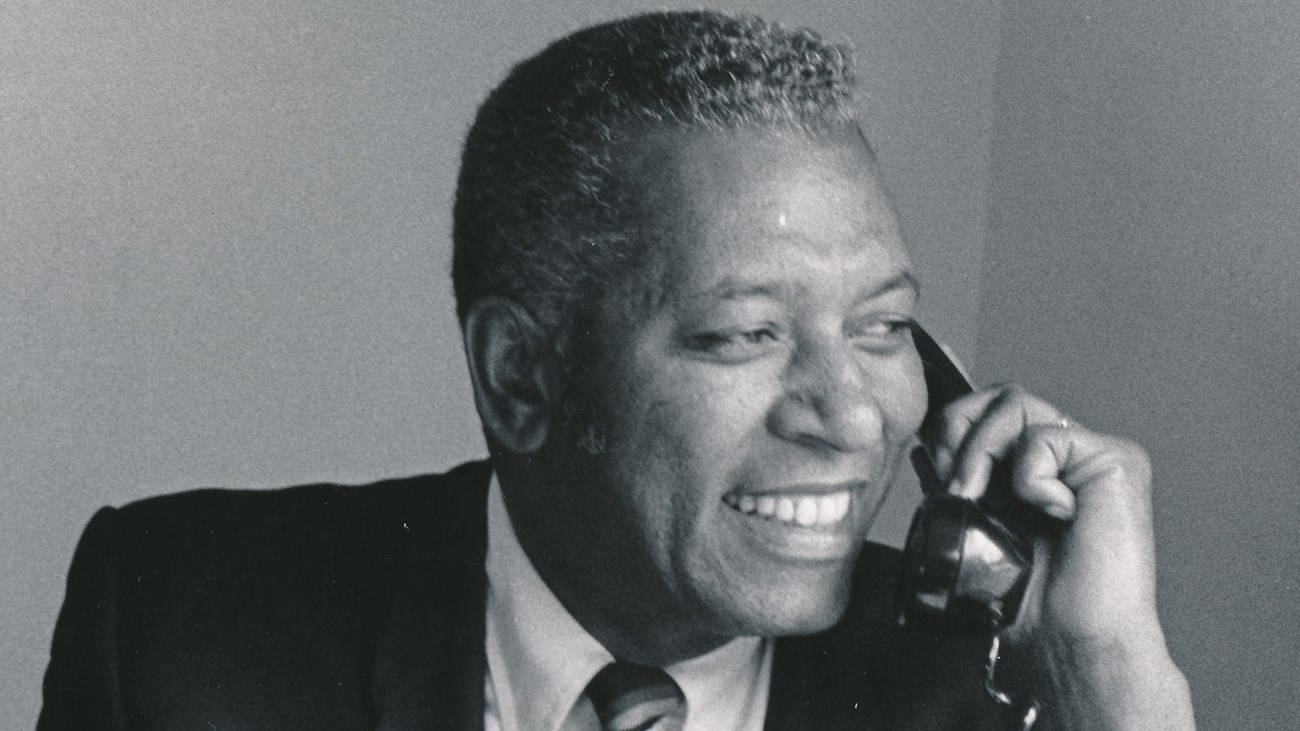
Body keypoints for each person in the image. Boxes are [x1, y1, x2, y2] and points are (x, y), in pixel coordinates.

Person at [37, 11, 1194, 730]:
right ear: (520, 376)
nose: (853, 415)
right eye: (745, 334)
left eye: (884, 328)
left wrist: (1104, 679)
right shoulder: (177, 629)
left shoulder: (982, 688)